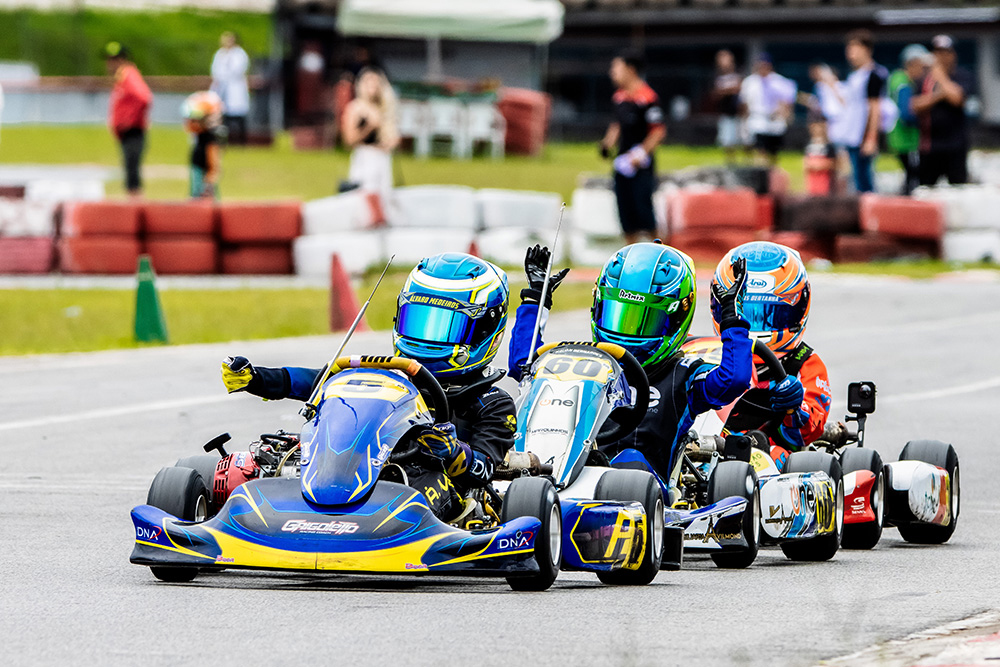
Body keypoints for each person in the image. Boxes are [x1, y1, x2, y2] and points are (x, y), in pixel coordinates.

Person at [220, 253, 516, 524]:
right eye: (418, 322)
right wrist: (256, 378)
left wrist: (453, 452)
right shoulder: (386, 376)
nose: (426, 337)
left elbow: (484, 470)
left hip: (434, 489)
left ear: (484, 331)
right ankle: (312, 501)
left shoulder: (492, 403)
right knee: (241, 469)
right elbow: (313, 381)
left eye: (444, 327)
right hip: (355, 469)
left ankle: (386, 524)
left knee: (428, 482)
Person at [508, 243, 753, 484]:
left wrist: (731, 317)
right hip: (566, 478)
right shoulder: (581, 363)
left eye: (646, 319)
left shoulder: (683, 376)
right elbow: (525, 366)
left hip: (643, 496)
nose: (626, 334)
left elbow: (733, 380)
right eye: (617, 314)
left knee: (630, 460)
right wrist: (535, 298)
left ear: (676, 318)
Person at [709, 241, 832, 456]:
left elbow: (806, 433)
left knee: (770, 454)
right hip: (708, 449)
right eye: (745, 314)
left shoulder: (804, 363)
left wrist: (795, 408)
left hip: (770, 458)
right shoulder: (707, 353)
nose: (754, 328)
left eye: (770, 315)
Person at [598, 51, 666, 245]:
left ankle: (661, 253)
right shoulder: (619, 97)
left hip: (641, 163)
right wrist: (607, 143)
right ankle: (630, 254)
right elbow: (617, 124)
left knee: (644, 209)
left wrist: (641, 153)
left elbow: (658, 131)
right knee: (625, 211)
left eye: (616, 68)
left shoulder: (647, 97)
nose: (613, 72)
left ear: (630, 69)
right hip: (622, 162)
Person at [912, 35, 976, 186]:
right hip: (930, 145)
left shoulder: (962, 76)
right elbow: (915, 105)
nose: (941, 57)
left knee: (958, 188)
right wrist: (939, 95)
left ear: (953, 54)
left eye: (945, 53)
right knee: (926, 189)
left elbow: (957, 99)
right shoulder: (924, 80)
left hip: (955, 145)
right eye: (938, 53)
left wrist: (940, 77)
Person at [342, 68, 399, 212]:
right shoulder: (355, 108)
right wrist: (369, 127)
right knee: (365, 196)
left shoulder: (384, 108)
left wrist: (391, 142)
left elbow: (392, 135)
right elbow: (349, 140)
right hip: (365, 157)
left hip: (382, 157)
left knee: (384, 196)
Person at [841, 30, 888, 194]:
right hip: (852, 133)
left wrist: (871, 137)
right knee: (855, 178)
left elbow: (875, 107)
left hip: (863, 133)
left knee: (865, 179)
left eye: (854, 48)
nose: (850, 53)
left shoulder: (874, 74)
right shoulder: (855, 76)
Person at [105, 42, 152, 196]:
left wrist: (128, 121)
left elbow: (143, 97)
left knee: (132, 175)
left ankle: (134, 211)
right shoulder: (121, 77)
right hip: (127, 132)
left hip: (133, 132)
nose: (110, 63)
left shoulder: (128, 75)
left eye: (114, 59)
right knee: (130, 172)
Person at [888, 45, 932, 195]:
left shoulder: (895, 79)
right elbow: (906, 113)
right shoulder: (903, 83)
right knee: (913, 178)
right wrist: (923, 122)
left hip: (899, 136)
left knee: (910, 175)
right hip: (906, 138)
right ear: (911, 64)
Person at [739, 53, 796, 167]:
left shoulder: (779, 81)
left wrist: (786, 114)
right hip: (758, 119)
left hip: (774, 120)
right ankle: (762, 172)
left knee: (774, 151)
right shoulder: (750, 82)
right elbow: (744, 103)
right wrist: (743, 121)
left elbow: (787, 101)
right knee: (760, 148)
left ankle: (772, 174)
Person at [210, 31, 250, 146]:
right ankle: (222, 140)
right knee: (222, 115)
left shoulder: (240, 54)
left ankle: (241, 141)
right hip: (222, 87)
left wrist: (226, 75)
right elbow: (215, 70)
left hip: (235, 87)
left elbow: (237, 70)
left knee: (238, 114)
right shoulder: (220, 54)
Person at [182, 91, 224, 199]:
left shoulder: (212, 139)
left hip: (205, 172)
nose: (191, 123)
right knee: (196, 190)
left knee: (208, 193)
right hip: (198, 162)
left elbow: (213, 165)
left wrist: (209, 181)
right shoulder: (199, 138)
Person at [713, 49, 743, 163]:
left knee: (742, 142)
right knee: (727, 142)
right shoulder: (717, 76)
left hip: (738, 114)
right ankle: (731, 163)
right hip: (725, 114)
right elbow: (716, 94)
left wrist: (726, 90)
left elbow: (739, 88)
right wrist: (729, 90)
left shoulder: (737, 73)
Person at [804, 117, 838, 196]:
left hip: (826, 184)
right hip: (813, 185)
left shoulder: (829, 146)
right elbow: (806, 163)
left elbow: (834, 163)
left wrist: (819, 165)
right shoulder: (809, 146)